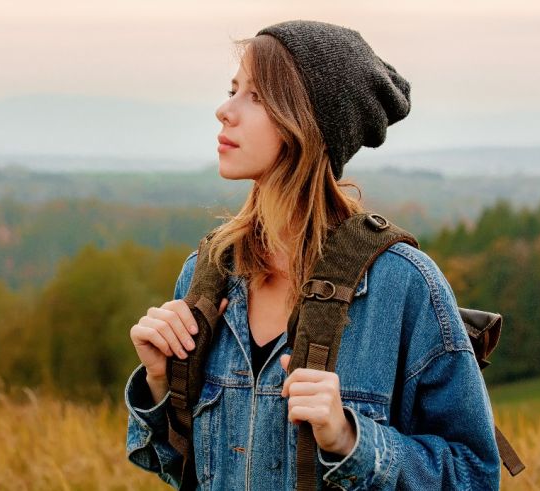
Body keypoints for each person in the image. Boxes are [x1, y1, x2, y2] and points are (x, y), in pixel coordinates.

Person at [124, 19, 501, 490]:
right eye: (233, 89)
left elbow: (475, 473)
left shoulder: (403, 285)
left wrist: (349, 440)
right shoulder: (207, 274)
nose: (225, 110)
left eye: (257, 96)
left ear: (308, 121)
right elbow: (177, 468)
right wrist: (160, 381)